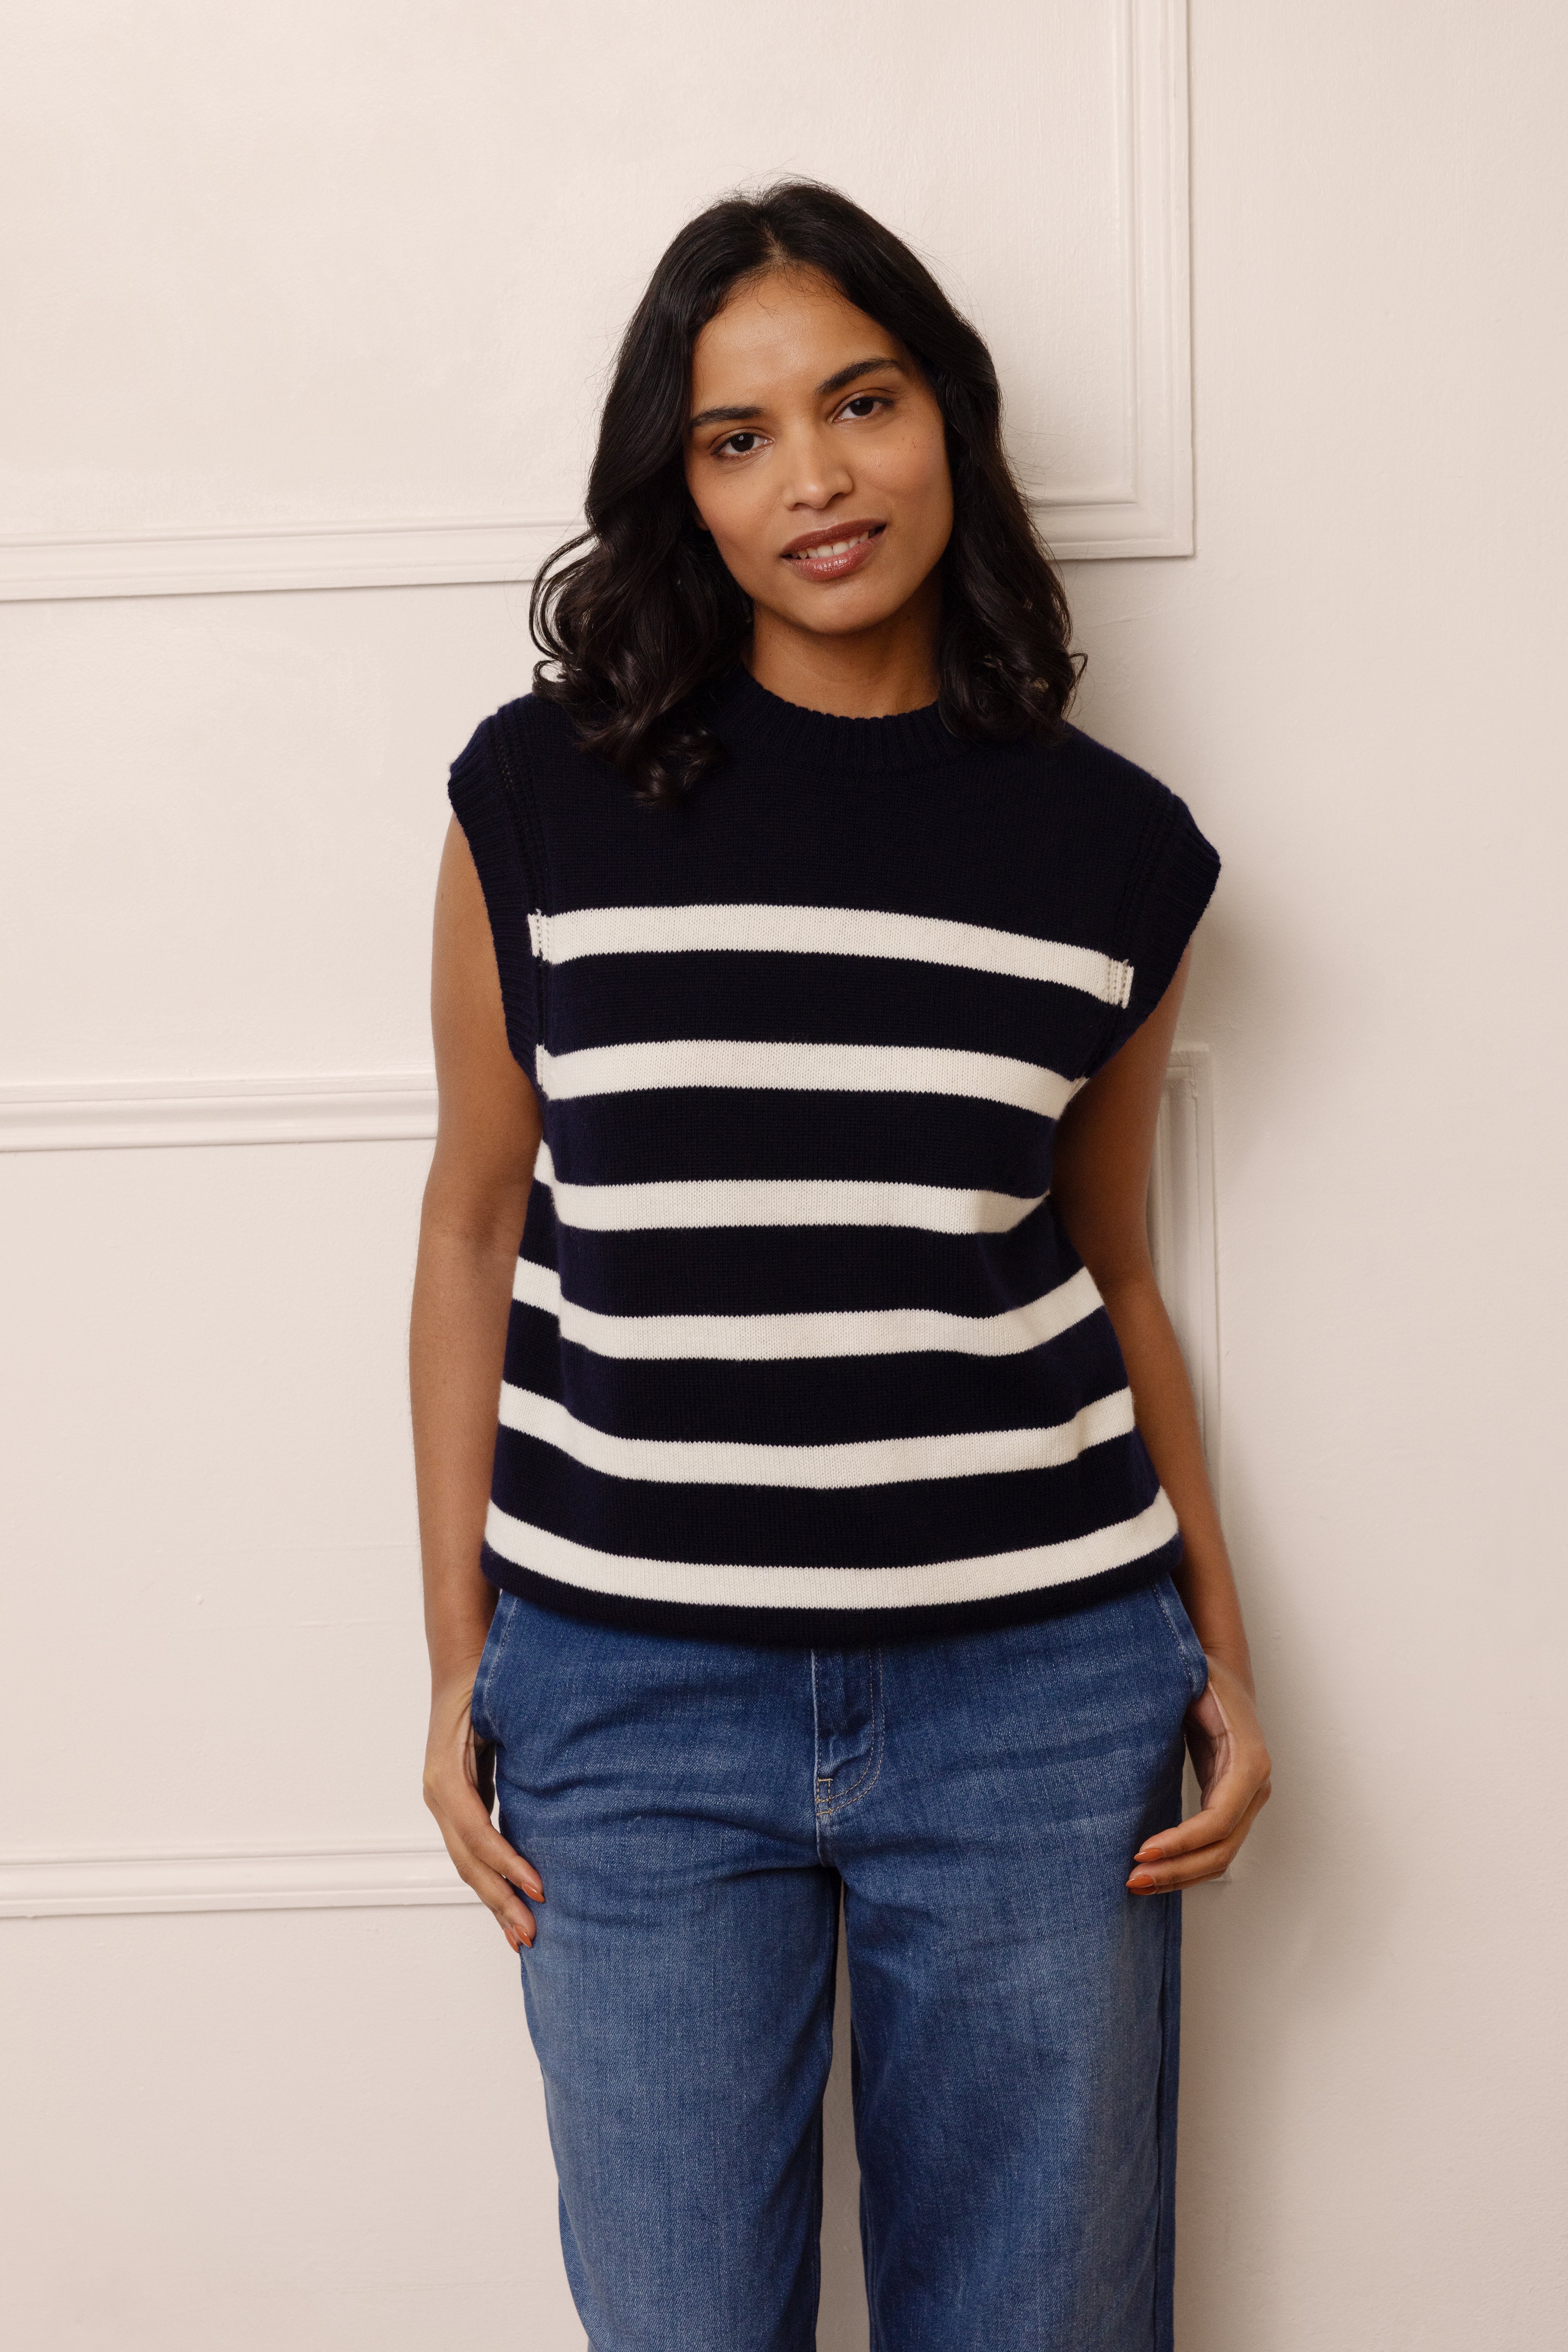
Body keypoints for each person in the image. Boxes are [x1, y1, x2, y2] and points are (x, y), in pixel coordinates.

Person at [411, 179, 1271, 2352]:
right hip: (628, 1700)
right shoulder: (541, 802)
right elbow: (472, 1223)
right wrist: (457, 1667)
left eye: (859, 402)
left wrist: (1227, 1664)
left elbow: (1115, 1279)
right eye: (736, 435)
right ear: (678, 488)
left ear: (946, 421)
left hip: (1035, 1696)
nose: (813, 476)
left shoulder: (1112, 852)